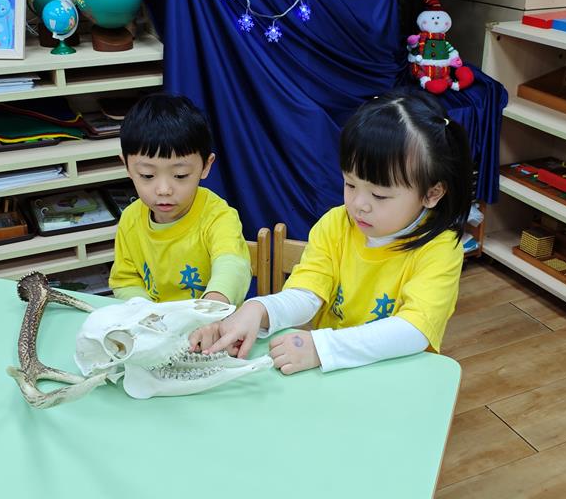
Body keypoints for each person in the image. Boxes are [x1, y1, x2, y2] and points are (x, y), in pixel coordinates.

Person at [191, 90, 475, 374]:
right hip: (333, 372)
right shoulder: (336, 224)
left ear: (432, 193)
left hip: (393, 377)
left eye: (379, 195)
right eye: (350, 184)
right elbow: (308, 293)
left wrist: (322, 348)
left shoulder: (440, 249)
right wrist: (259, 310)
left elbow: (414, 330)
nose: (359, 204)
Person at [109, 93, 252, 306]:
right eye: (147, 175)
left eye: (180, 175)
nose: (164, 190)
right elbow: (125, 280)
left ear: (206, 166)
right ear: (127, 167)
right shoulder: (130, 219)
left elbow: (232, 265)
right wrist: (144, 310)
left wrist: (214, 304)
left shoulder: (218, 216)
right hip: (157, 321)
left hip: (213, 320)